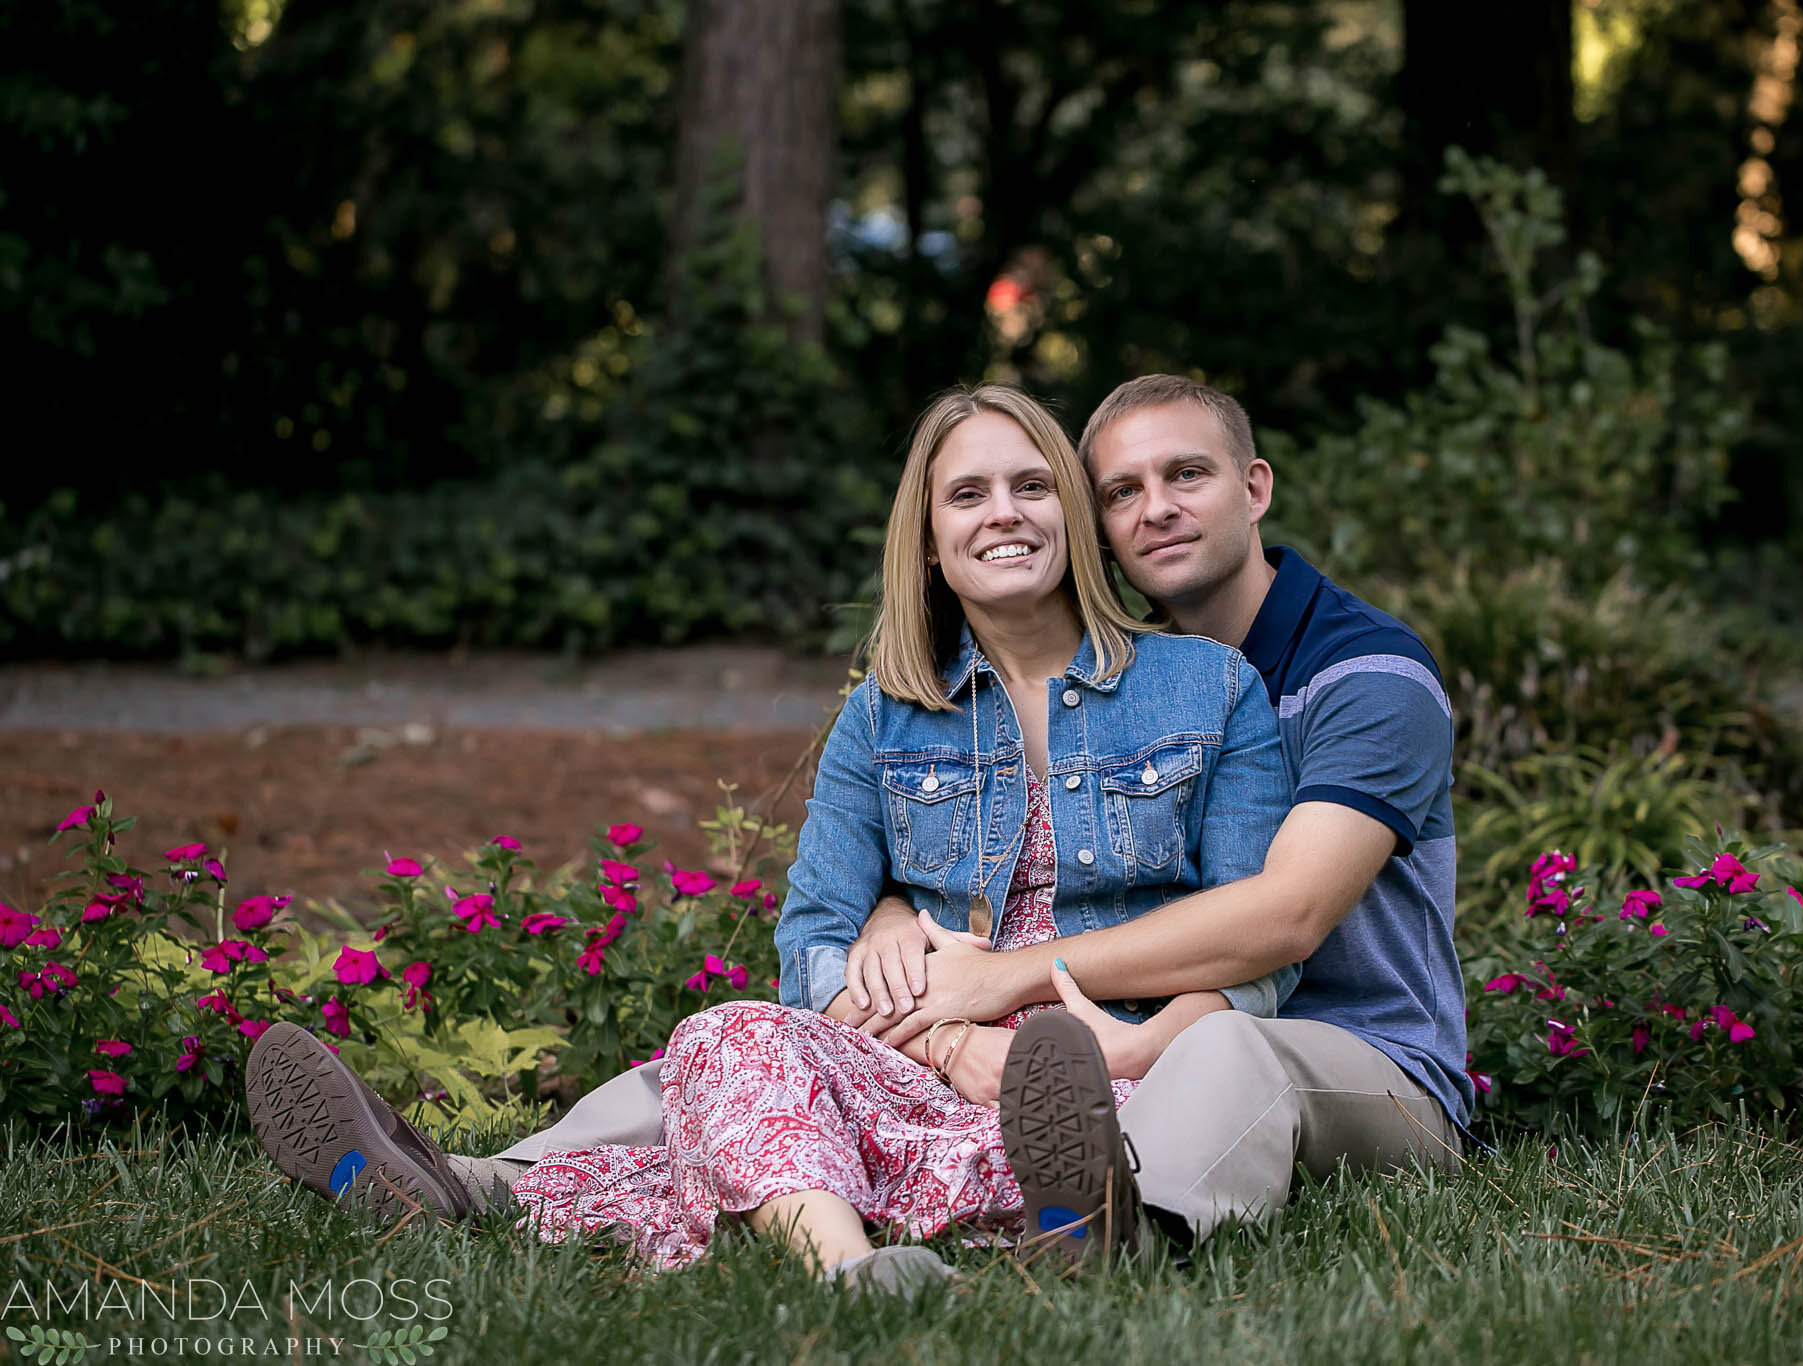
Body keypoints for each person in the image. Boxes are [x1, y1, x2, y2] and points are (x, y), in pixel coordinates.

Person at [242, 383, 1299, 1291]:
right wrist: (942, 1040)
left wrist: (1133, 1044)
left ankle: (469, 1186)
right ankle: (851, 1272)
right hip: (912, 1062)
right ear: (928, 541)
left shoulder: (1205, 688)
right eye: (966, 495)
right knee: (726, 1037)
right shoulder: (886, 715)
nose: (1003, 515)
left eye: (1030, 486)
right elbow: (813, 946)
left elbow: (1249, 959)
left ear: (1069, 509)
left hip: (1100, 1068)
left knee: (830, 1122)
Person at [848, 373, 1469, 1256]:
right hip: (1154, 1033)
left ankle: (1117, 1234)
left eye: (1187, 475)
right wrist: (890, 907)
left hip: (1359, 1060)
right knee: (740, 1043)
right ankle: (612, 1156)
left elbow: (1288, 914)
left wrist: (1017, 977)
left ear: (1254, 488)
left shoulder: (1368, 677)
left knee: (1228, 1050)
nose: (1158, 509)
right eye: (1121, 492)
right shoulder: (1135, 679)